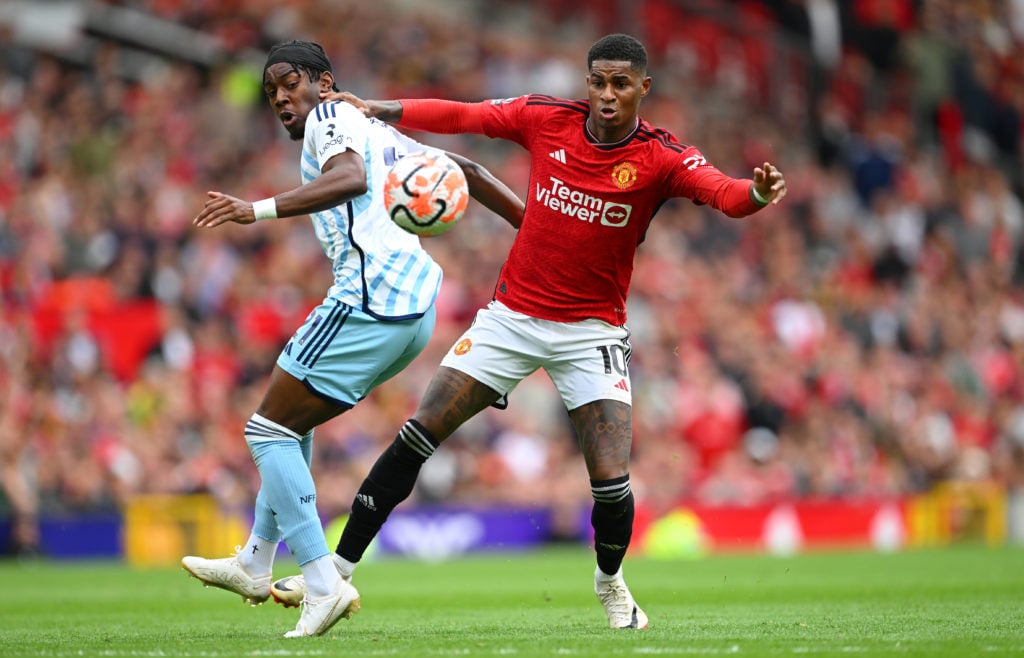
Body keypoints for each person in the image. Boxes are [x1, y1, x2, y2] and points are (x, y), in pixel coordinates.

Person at [272, 32, 787, 630]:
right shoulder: (548, 119)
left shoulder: (661, 157)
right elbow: (467, 114)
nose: (607, 95)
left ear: (643, 87)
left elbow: (723, 194)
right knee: (417, 434)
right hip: (510, 319)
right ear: (587, 83)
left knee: (612, 483)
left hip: (591, 333)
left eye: (621, 83)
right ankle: (337, 571)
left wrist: (755, 193)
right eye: (598, 82)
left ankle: (610, 583)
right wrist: (383, 108)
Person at [180, 40, 524, 639]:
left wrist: (253, 210)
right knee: (289, 424)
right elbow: (465, 173)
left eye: (290, 83)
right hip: (413, 307)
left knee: (265, 430)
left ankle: (321, 583)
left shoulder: (330, 117)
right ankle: (257, 561)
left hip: (371, 299)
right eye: (271, 93)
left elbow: (348, 178)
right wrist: (537, 230)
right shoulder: (371, 125)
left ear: (324, 81)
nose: (282, 99)